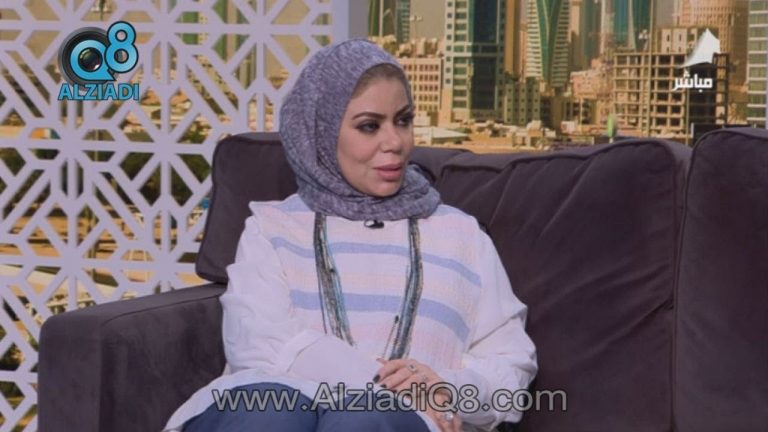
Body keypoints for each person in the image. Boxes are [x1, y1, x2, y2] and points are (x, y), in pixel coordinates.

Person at [163, 38, 537, 432]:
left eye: (403, 120)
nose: (395, 142)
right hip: (271, 412)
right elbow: (258, 344)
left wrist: (445, 390)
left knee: (364, 419)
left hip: (396, 424)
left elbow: (510, 366)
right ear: (322, 134)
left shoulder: (461, 235)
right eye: (369, 126)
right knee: (269, 411)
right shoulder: (272, 228)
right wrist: (388, 386)